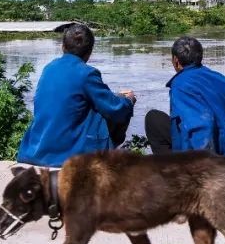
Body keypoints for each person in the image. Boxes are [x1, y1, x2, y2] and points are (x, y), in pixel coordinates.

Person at [16, 23, 136, 168]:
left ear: (63, 47)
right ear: (89, 52)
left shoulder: (49, 68)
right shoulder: (87, 73)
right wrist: (129, 100)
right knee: (120, 104)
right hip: (68, 155)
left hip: (35, 151)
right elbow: (114, 108)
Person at [144, 35, 225, 166]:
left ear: (176, 61)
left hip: (219, 160)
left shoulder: (180, 84)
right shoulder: (220, 78)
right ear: (200, 57)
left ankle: (170, 169)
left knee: (153, 118)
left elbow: (199, 125)